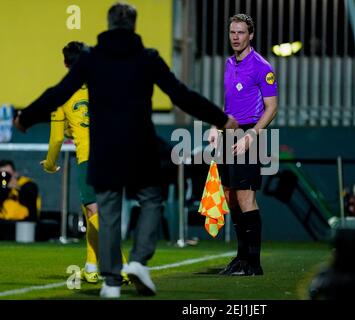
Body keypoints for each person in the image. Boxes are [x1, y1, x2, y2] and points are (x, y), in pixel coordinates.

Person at [14, 2, 237, 298]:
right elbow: (181, 95)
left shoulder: (91, 59)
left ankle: (111, 282)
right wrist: (221, 119)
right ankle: (139, 261)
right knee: (151, 200)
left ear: (108, 25)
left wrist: (25, 118)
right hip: (139, 144)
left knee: (107, 212)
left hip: (103, 148)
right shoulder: (148, 58)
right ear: (134, 25)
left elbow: (58, 93)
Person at [40, 41, 129, 285]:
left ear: (65, 63)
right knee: (92, 213)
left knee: (94, 212)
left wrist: (49, 164)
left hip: (89, 158)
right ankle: (91, 267)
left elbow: (57, 137)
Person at [208, 14, 278, 276]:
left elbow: (272, 109)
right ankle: (240, 258)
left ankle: (253, 263)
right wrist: (217, 127)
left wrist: (253, 136)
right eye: (232, 32)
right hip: (229, 134)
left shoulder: (262, 67)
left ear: (251, 35)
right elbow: (228, 105)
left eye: (240, 32)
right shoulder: (228, 63)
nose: (235, 37)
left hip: (250, 134)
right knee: (231, 199)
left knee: (246, 197)